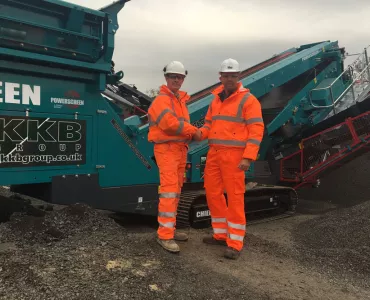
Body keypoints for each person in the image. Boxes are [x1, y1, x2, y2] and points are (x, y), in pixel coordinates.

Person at [194, 58, 264, 259]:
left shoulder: (248, 100)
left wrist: (248, 157)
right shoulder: (216, 99)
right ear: (220, 77)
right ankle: (220, 234)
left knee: (234, 197)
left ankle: (235, 242)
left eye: (233, 75)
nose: (230, 79)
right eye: (226, 76)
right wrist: (199, 133)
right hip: (214, 153)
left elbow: (256, 129)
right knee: (212, 193)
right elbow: (209, 124)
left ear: (238, 76)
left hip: (235, 157)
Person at [148, 61, 202, 253]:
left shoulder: (179, 101)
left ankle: (169, 229)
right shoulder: (162, 100)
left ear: (183, 79)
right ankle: (164, 235)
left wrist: (191, 133)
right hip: (167, 150)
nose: (177, 80)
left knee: (176, 191)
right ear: (166, 78)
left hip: (179, 150)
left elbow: (178, 125)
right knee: (169, 191)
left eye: (179, 77)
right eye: (173, 77)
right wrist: (194, 131)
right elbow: (170, 124)